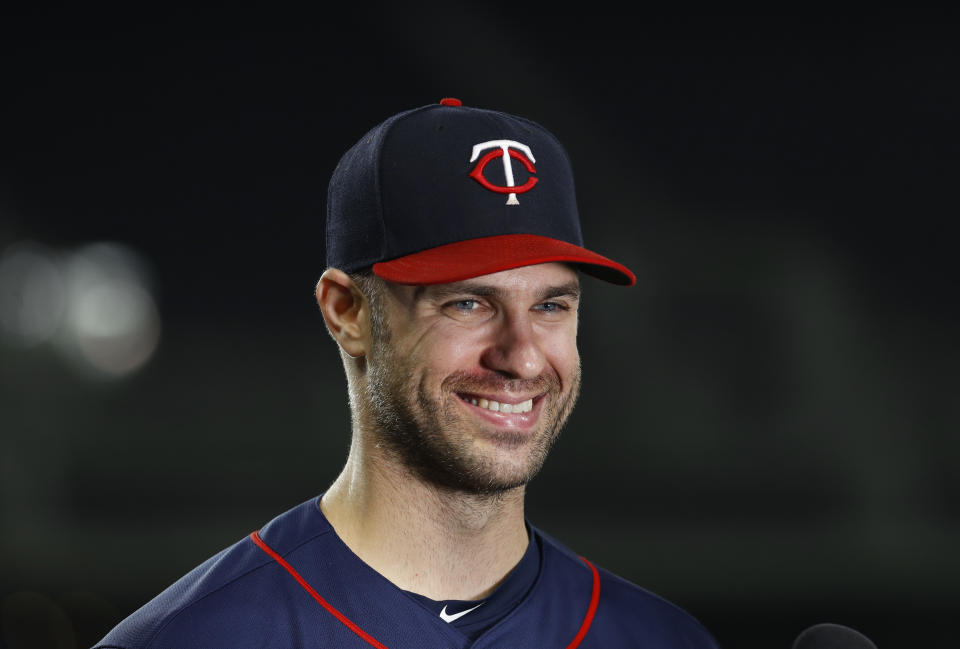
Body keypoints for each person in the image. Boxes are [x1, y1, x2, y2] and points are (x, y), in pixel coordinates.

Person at [95, 98, 720, 649]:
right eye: (467, 303)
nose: (524, 357)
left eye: (550, 305)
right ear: (347, 313)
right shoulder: (198, 638)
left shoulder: (660, 637)